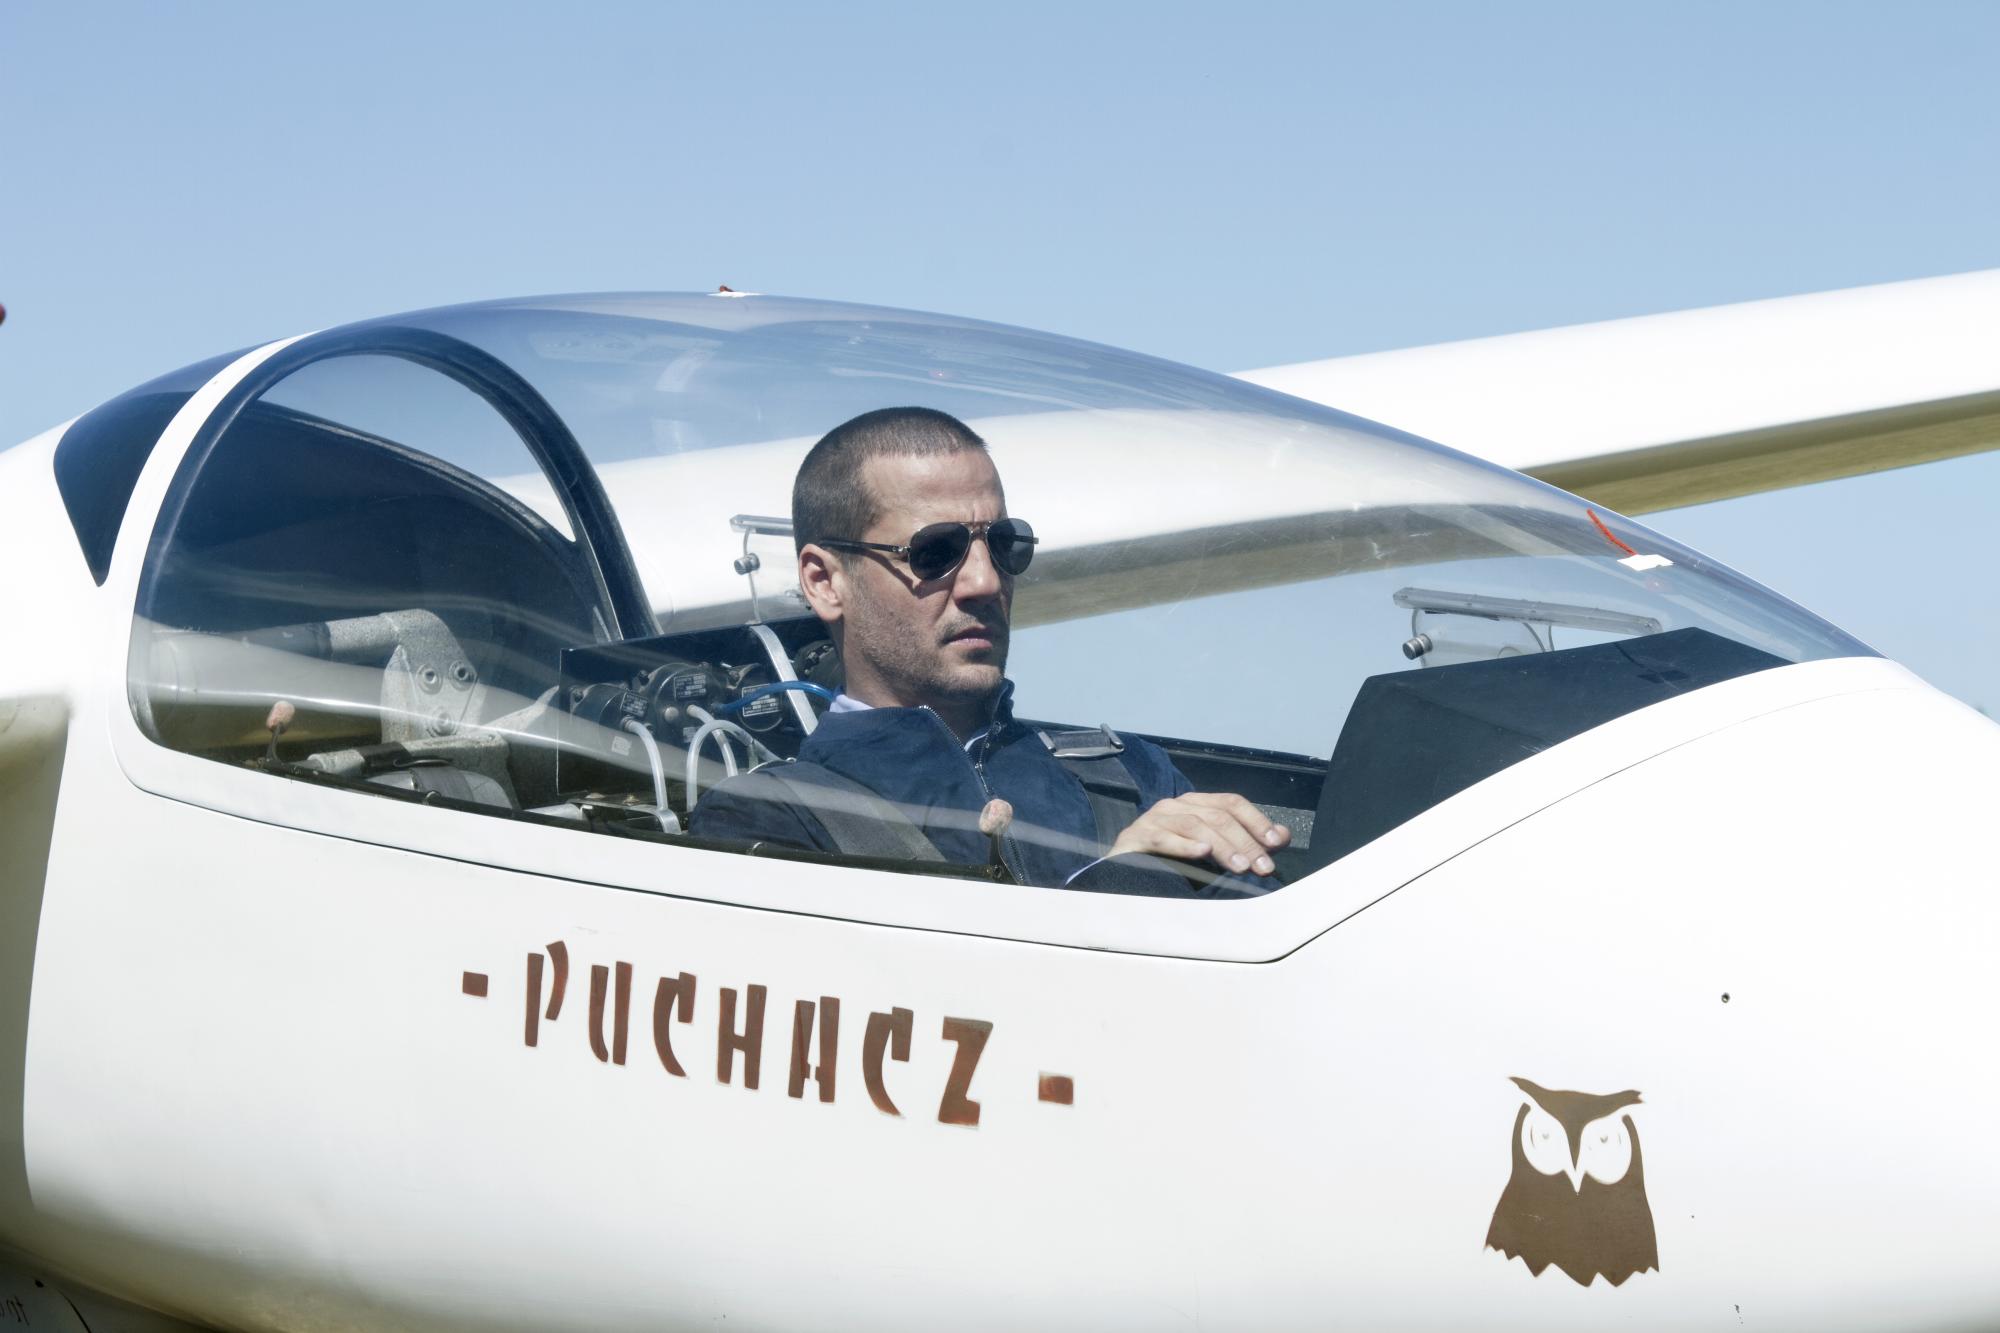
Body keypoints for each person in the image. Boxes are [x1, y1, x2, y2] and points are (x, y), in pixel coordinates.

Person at [689, 406, 1288, 896]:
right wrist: (1123, 880)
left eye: (1003, 543)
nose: (985, 581)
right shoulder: (769, 816)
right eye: (935, 551)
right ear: (824, 582)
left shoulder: (1130, 773)